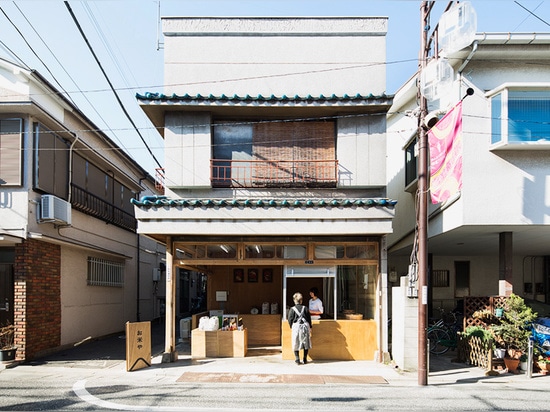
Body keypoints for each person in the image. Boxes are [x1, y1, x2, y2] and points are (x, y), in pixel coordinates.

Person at [288, 292, 312, 365]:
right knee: (306, 342)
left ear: (294, 300)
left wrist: (291, 326)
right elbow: (309, 318)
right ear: (301, 300)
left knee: (296, 342)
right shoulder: (305, 308)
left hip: (296, 327)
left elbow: (290, 319)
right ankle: (305, 359)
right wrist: (310, 327)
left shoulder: (292, 309)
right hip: (305, 326)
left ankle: (297, 359)